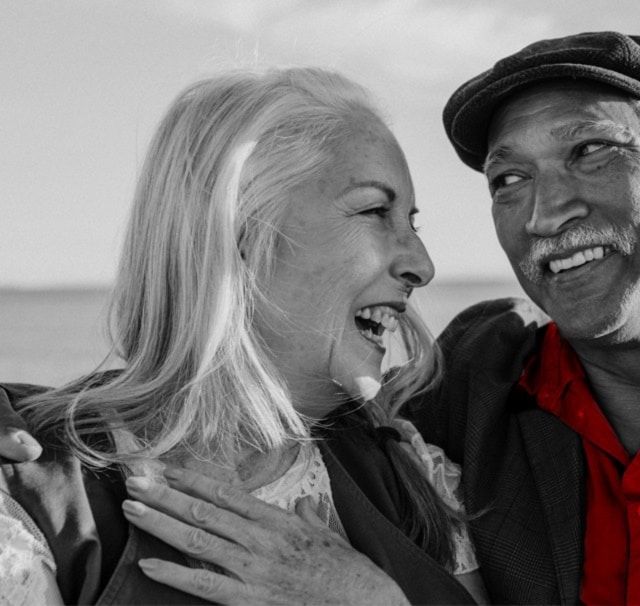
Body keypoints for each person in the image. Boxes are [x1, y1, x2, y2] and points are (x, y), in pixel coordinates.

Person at [1, 31, 640, 605]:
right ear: (239, 233)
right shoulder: (457, 410)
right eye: (508, 177)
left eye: (591, 151)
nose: (545, 212)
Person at [0, 67, 487, 605]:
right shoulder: (36, 504)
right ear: (242, 232)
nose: (422, 264)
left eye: (412, 223)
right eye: (375, 211)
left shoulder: (414, 476)